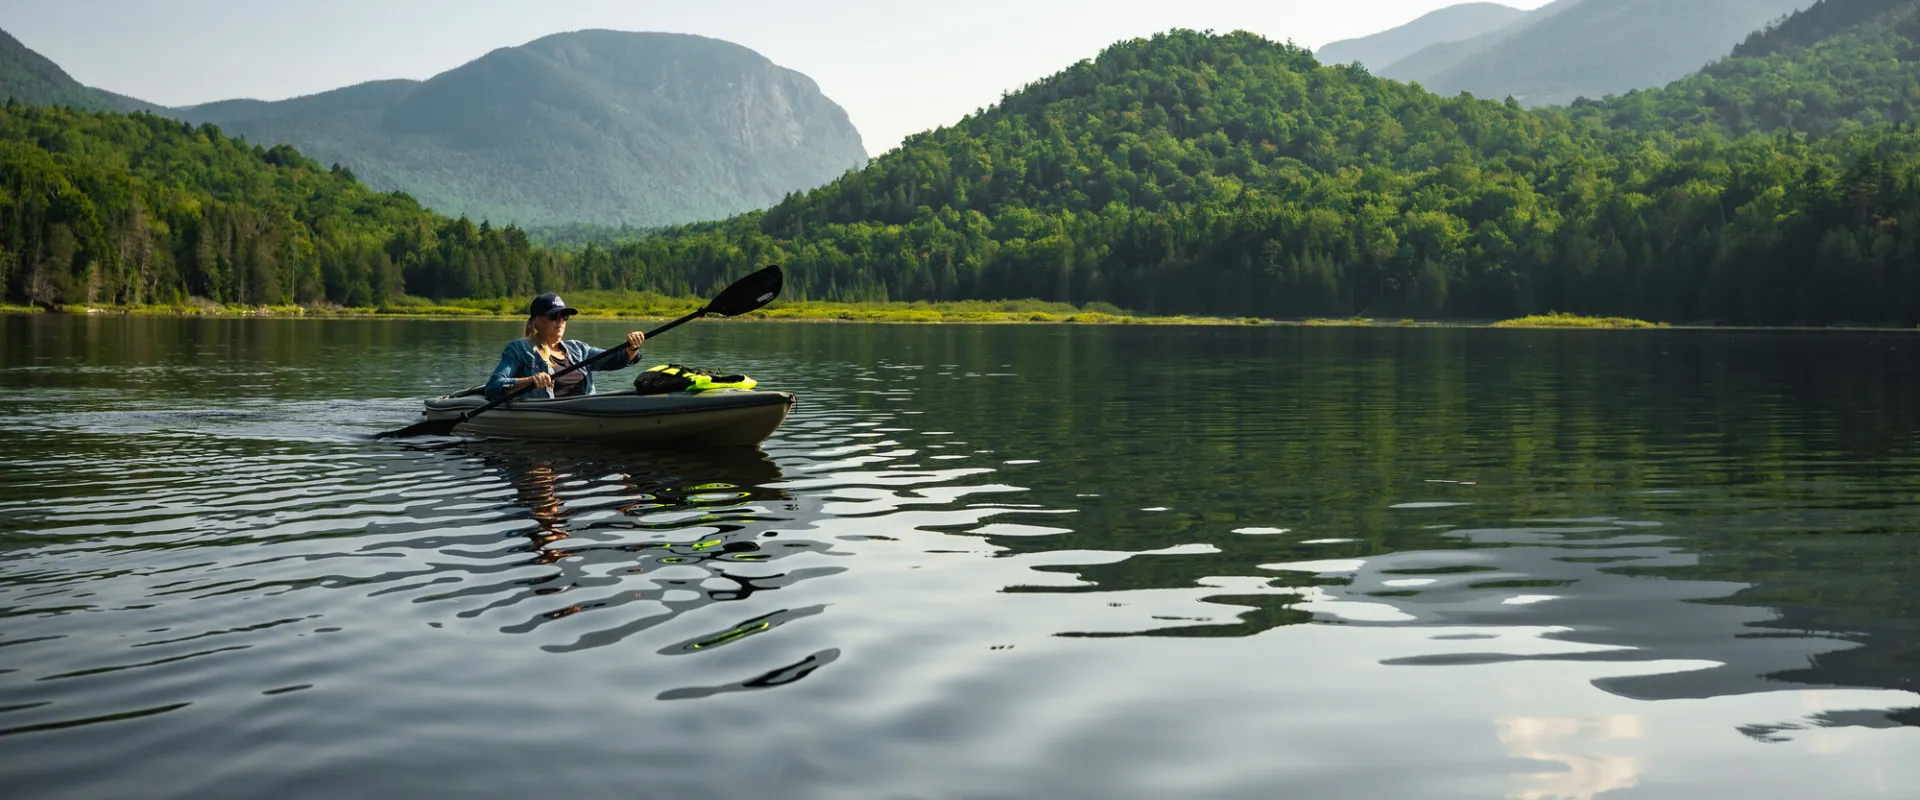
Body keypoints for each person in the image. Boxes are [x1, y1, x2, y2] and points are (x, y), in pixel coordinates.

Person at [485, 293, 646, 401]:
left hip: (586, 410)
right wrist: (529, 381)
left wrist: (632, 348)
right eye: (553, 316)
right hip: (550, 414)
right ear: (535, 321)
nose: (560, 320)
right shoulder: (519, 349)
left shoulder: (579, 349)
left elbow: (615, 359)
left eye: (564, 316)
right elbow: (493, 386)